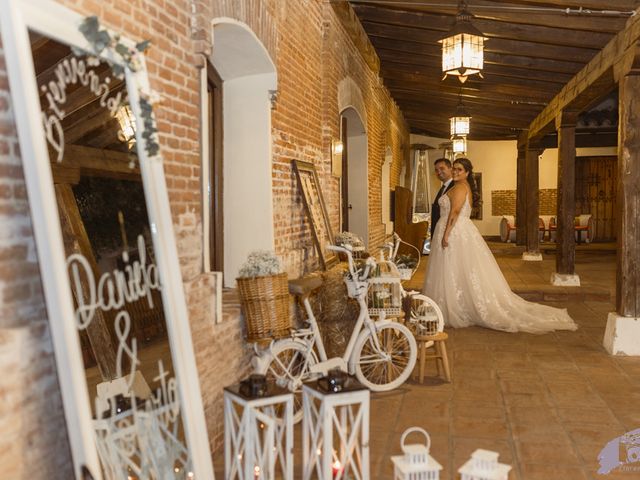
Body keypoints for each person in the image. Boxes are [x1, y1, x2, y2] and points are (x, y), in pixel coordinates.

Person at [423, 157, 577, 334]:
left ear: (466, 173)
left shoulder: (459, 187)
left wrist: (447, 234)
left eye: (459, 170)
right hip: (459, 230)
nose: (456, 172)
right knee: (457, 269)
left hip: (455, 231)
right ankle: (457, 303)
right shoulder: (463, 187)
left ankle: (454, 306)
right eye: (455, 169)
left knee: (452, 268)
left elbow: (455, 211)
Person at [430, 158, 455, 240]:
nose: (439, 172)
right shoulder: (443, 187)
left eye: (442, 168)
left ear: (450, 169)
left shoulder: (455, 186)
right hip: (440, 228)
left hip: (450, 230)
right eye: (436, 170)